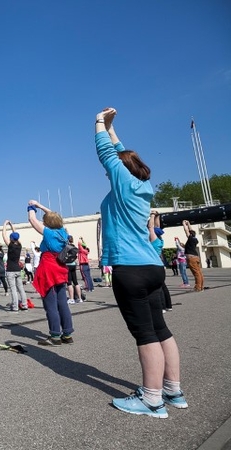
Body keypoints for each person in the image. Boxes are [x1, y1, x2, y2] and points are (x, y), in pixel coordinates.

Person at [95, 107, 186, 418]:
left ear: (121, 170)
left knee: (145, 334)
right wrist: (112, 127)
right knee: (160, 329)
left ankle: (151, 400)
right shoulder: (141, 187)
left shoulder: (121, 185)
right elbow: (121, 154)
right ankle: (173, 390)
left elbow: (108, 155)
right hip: (151, 267)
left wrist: (98, 124)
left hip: (130, 268)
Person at [27, 200, 74, 346]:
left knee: (50, 304)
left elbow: (32, 219)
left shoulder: (48, 233)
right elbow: (55, 216)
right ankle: (67, 334)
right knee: (62, 302)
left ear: (47, 223)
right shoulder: (63, 232)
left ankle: (54, 336)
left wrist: (30, 206)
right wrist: (40, 206)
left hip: (48, 270)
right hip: (60, 269)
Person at [148, 211, 172, 312]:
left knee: (158, 288)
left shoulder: (154, 241)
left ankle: (162, 307)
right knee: (163, 286)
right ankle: (168, 305)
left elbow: (151, 227)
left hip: (154, 264)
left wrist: (152, 215)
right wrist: (157, 216)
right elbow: (157, 226)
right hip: (160, 265)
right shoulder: (160, 241)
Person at [3, 220, 28, 312]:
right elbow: (15, 233)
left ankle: (15, 306)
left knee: (13, 289)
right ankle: (24, 304)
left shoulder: (10, 246)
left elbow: (4, 235)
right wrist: (12, 225)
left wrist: (5, 225)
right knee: (21, 288)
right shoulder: (20, 245)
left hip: (10, 270)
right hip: (18, 270)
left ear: (11, 239)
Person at [183, 220, 204, 291]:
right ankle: (201, 286)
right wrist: (188, 223)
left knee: (196, 273)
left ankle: (198, 288)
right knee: (199, 272)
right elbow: (191, 231)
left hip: (191, 258)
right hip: (196, 257)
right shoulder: (195, 239)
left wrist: (184, 224)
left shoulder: (190, 239)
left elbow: (187, 231)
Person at [65, 236, 84, 304]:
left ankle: (71, 298)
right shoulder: (74, 247)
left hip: (68, 265)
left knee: (69, 282)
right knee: (75, 281)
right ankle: (79, 298)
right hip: (73, 264)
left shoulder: (66, 247)